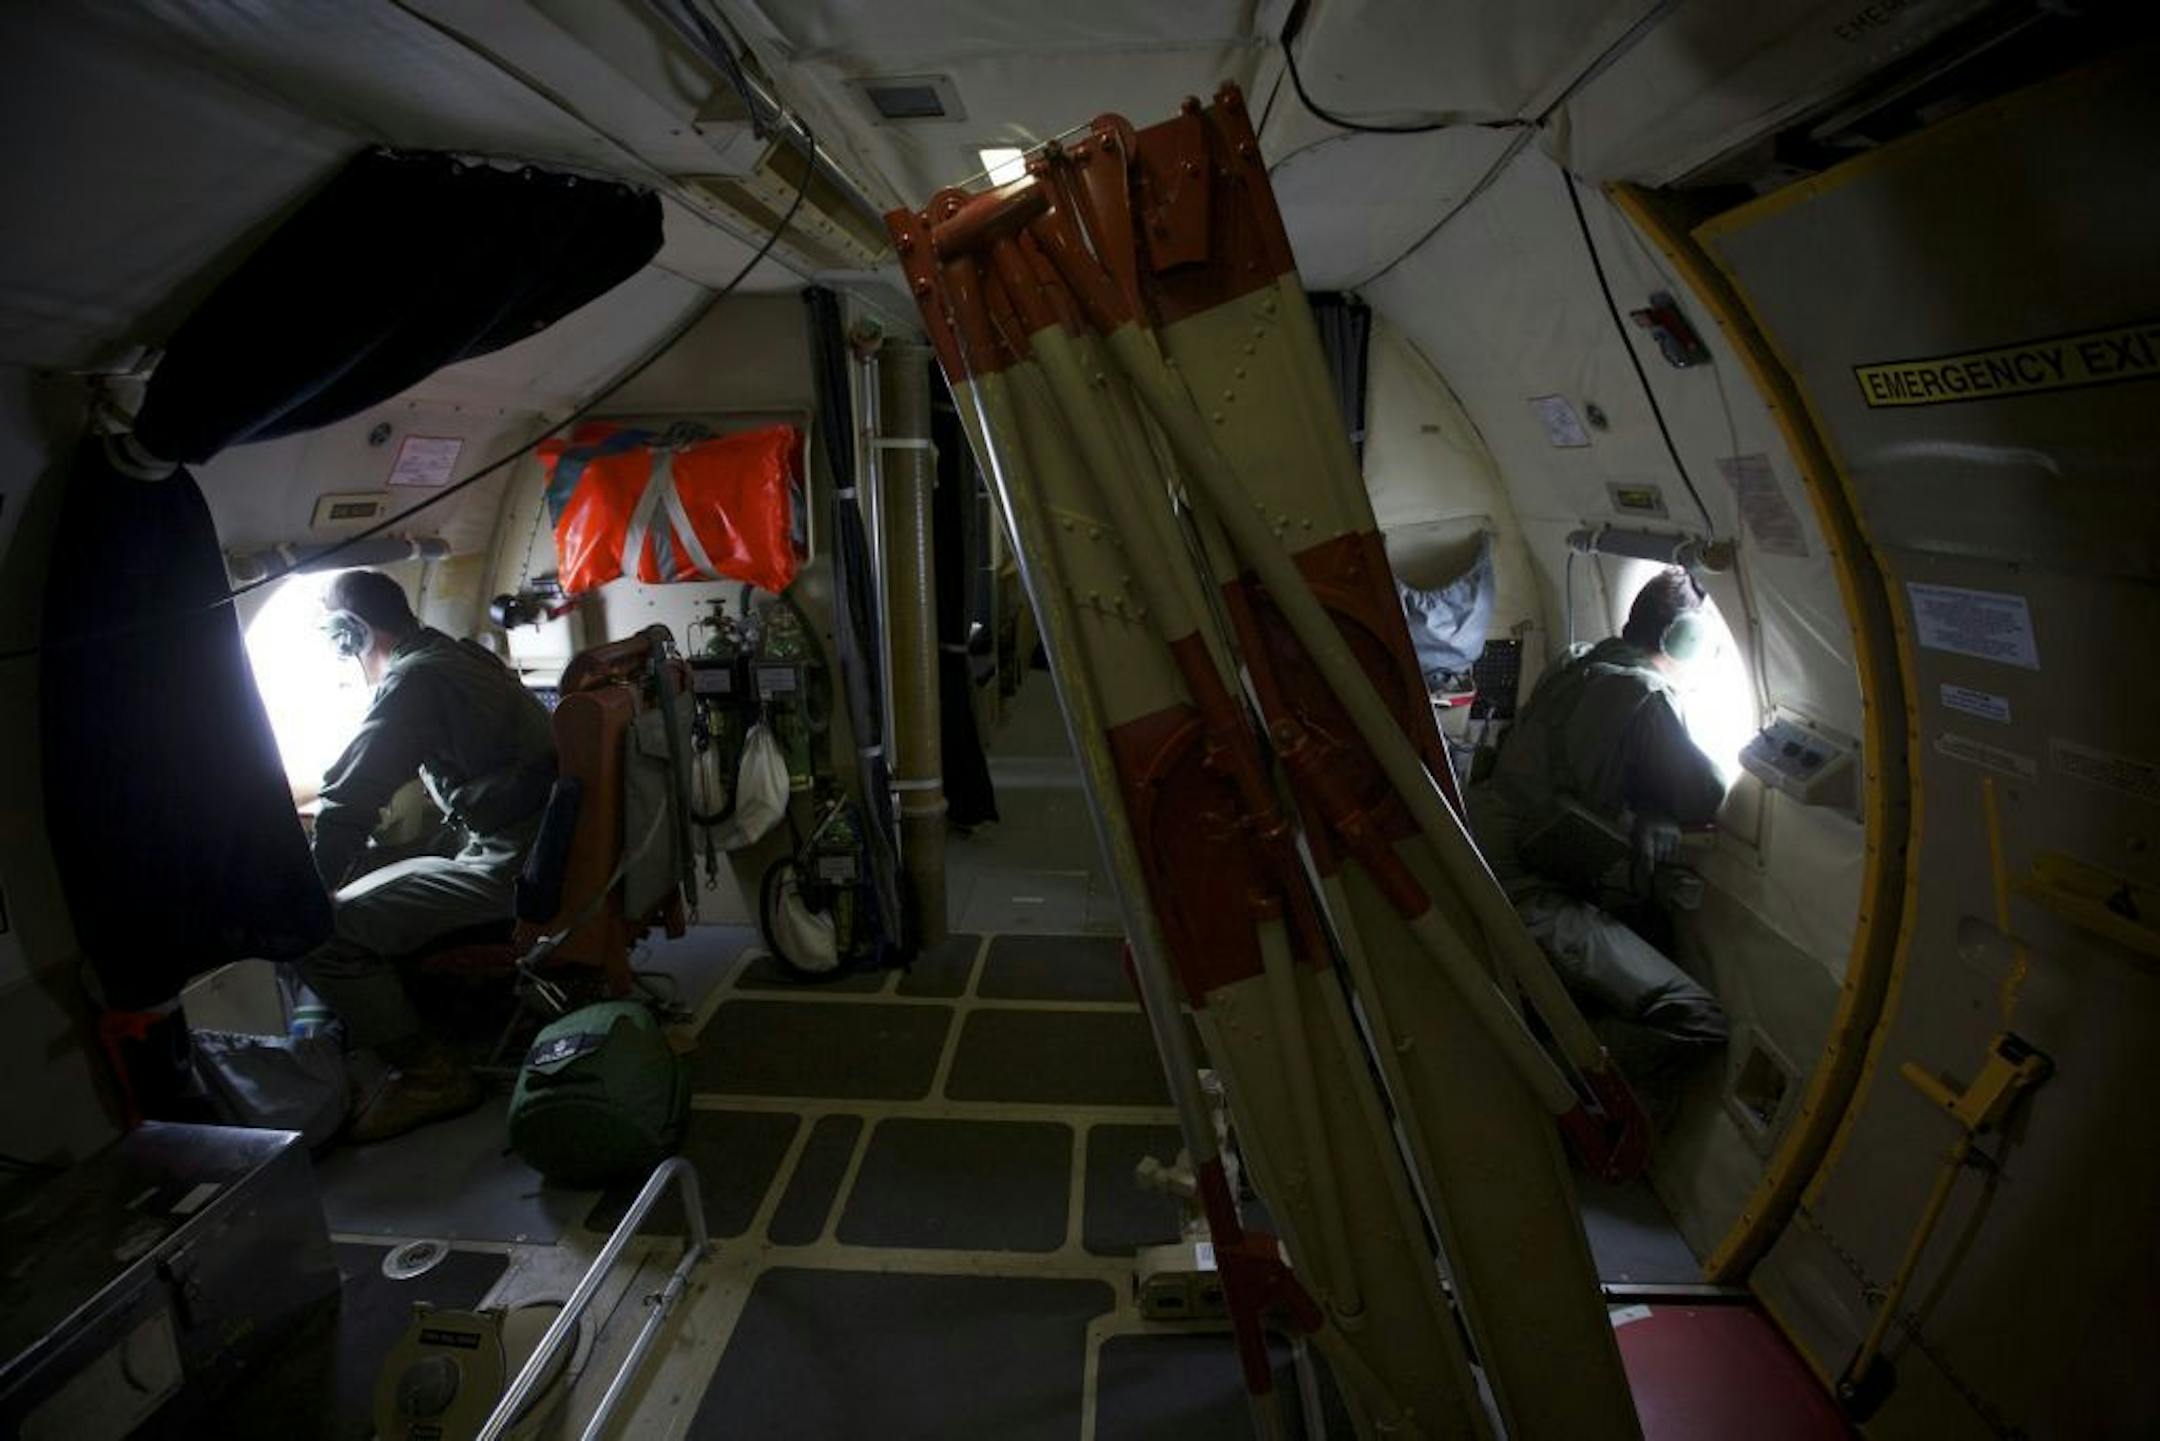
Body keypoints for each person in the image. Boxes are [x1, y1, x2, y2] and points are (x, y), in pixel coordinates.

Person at [297, 570, 558, 1142]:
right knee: (390, 868)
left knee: (320, 936)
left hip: (509, 868)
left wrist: (306, 901)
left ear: (350, 633)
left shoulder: (415, 682)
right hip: (534, 849)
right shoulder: (457, 655)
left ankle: (432, 1074)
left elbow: (350, 800)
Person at [1467, 567, 1731, 1099]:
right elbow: (1706, 792)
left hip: (1480, 854)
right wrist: (1661, 803)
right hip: (1526, 892)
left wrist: (1650, 804)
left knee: (1643, 921)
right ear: (1684, 638)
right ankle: (1547, 1098)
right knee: (1697, 1019)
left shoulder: (1574, 660)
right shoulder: (1647, 694)